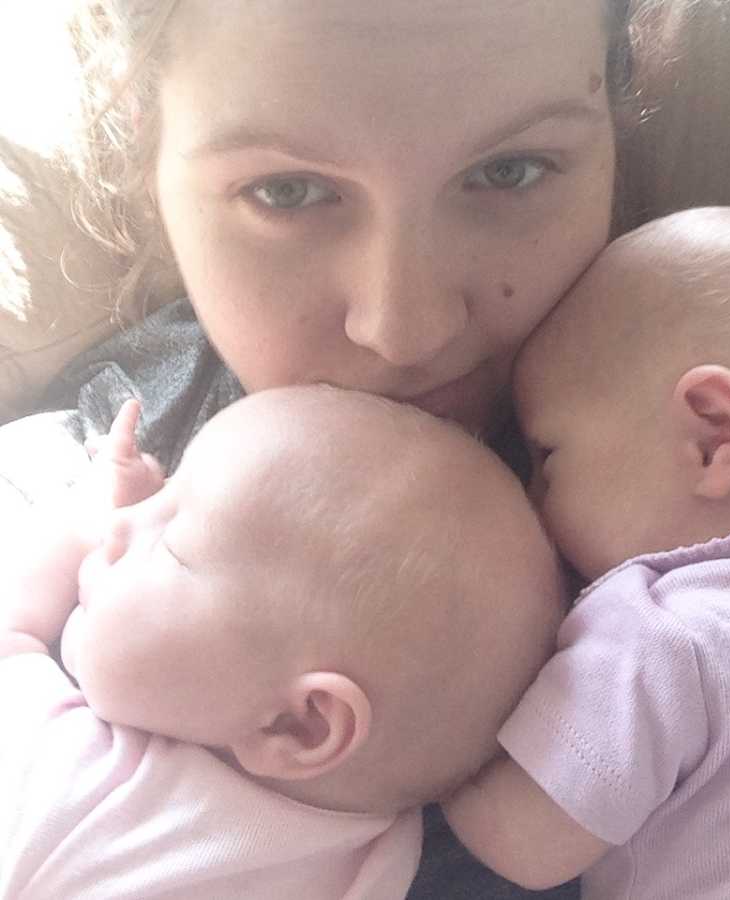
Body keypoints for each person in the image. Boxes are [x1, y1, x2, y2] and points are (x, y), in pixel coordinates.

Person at [0, 1, 633, 895]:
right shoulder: (84, 455)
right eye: (287, 190)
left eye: (510, 169)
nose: (405, 329)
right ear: (148, 150)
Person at [443, 206, 730, 898]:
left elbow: (525, 844)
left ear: (711, 437)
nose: (531, 501)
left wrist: (437, 751)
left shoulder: (659, 629)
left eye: (547, 456)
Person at [1, 385, 564, 898]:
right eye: (164, 495)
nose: (120, 527)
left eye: (172, 545)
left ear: (299, 725)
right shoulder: (380, 860)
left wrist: (83, 520)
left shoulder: (79, 771)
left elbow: (12, 628)